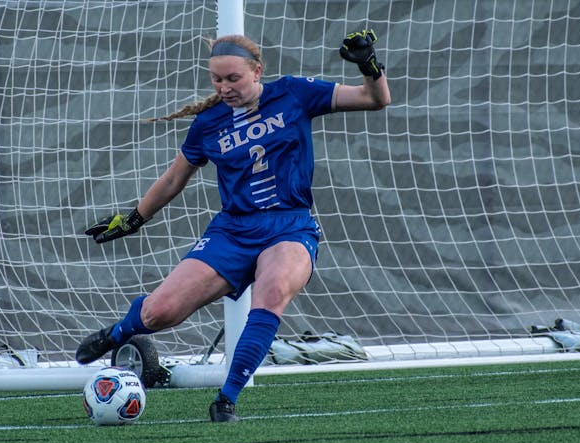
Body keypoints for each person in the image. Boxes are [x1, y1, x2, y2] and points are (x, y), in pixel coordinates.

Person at [77, 29, 391, 422]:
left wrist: (368, 65)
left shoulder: (294, 93)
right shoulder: (208, 124)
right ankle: (120, 333)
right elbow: (175, 178)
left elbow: (374, 99)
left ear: (257, 72)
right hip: (232, 230)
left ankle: (226, 399)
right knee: (162, 311)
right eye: (217, 80)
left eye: (233, 79)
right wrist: (134, 218)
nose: (224, 87)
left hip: (289, 227)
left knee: (273, 290)